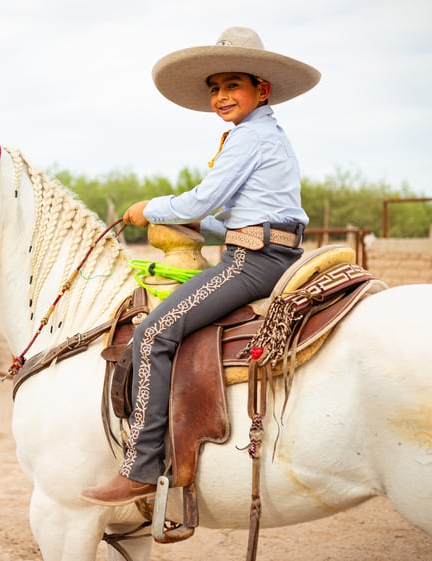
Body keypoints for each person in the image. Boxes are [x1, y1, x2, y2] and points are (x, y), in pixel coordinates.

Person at [81, 26, 321, 506]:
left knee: (153, 332)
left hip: (251, 263)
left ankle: (143, 466)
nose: (221, 96)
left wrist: (152, 208)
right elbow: (236, 217)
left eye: (233, 84)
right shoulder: (266, 135)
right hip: (270, 250)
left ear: (262, 89)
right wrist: (200, 226)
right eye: (215, 88)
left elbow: (205, 198)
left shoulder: (248, 138)